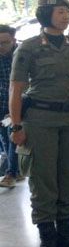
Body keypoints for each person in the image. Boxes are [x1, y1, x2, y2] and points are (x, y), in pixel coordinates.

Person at [9, 0, 69, 247]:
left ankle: (66, 232)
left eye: (67, 12)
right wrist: (16, 126)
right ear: (46, 15)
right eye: (60, 11)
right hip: (41, 120)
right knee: (43, 179)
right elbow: (17, 88)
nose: (66, 16)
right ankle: (47, 237)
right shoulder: (29, 47)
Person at [0, 25, 19, 188]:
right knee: (5, 139)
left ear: (13, 40)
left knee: (13, 136)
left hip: (17, 104)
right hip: (1, 104)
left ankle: (11, 173)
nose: (1, 47)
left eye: (5, 42)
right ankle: (15, 170)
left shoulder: (22, 55)